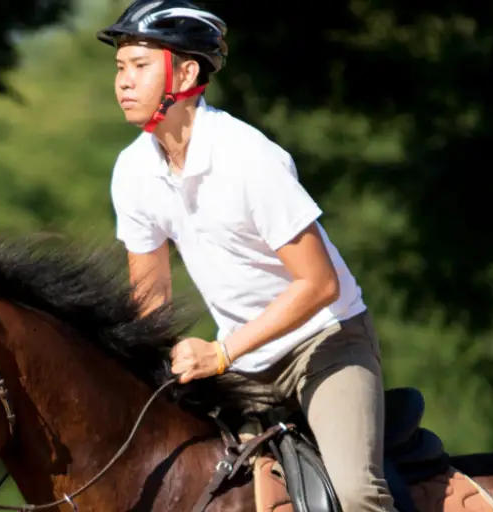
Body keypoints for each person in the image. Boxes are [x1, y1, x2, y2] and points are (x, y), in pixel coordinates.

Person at [98, 1, 396, 511]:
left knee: (355, 494)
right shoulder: (131, 171)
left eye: (140, 65)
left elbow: (319, 284)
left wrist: (220, 354)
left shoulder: (248, 157)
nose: (123, 81)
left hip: (325, 344)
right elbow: (151, 299)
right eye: (120, 67)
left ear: (186, 73)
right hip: (244, 365)